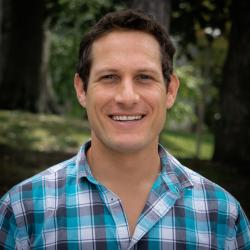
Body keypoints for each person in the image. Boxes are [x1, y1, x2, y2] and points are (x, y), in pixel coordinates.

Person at [0, 9, 249, 250]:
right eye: (109, 77)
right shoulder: (23, 211)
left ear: (170, 90)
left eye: (144, 77)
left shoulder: (223, 216)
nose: (127, 97)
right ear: (81, 89)